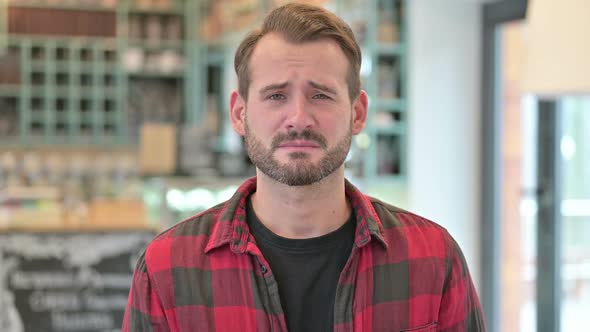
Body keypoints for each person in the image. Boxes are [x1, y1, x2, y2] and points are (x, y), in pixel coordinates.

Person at [123, 3, 485, 331]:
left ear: (358, 113)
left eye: (321, 95)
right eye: (276, 95)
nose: (298, 118)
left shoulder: (433, 259)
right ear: (240, 113)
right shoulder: (167, 270)